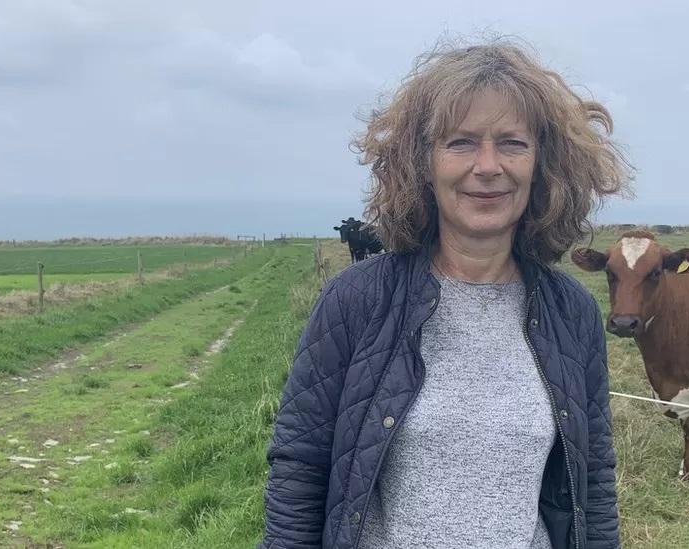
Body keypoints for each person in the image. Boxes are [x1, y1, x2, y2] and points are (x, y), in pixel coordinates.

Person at [260, 37, 631, 549]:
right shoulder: (357, 300)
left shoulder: (573, 312)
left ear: (545, 165)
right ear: (423, 164)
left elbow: (593, 479)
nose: (487, 165)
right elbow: (299, 469)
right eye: (460, 142)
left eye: (512, 143)